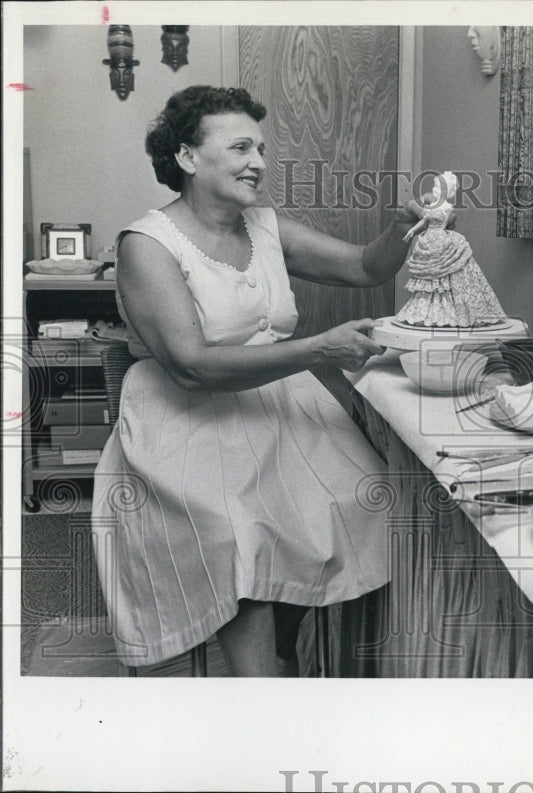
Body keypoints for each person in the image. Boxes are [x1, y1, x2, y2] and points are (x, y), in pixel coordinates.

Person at [91, 85, 425, 677]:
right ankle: (261, 696)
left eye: (261, 148)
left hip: (280, 408)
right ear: (189, 158)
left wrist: (402, 229)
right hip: (185, 419)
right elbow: (190, 365)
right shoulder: (147, 245)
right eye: (241, 146)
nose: (259, 163)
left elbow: (363, 266)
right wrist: (319, 347)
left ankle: (283, 649)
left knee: (366, 504)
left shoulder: (266, 226)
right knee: (240, 534)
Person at [394, 171, 505, 327]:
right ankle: (428, 311)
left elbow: (445, 225)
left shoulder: (448, 208)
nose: (434, 190)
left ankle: (456, 312)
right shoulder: (430, 205)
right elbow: (424, 221)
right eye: (434, 186)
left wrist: (443, 239)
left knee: (449, 275)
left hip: (441, 238)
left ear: (447, 191)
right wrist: (412, 231)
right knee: (430, 277)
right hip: (428, 238)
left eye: (438, 187)